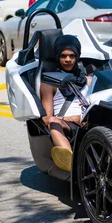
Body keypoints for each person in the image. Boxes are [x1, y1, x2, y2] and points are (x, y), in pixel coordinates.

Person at [40, 35, 92, 172]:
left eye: (72, 56)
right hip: (66, 124)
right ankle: (70, 161)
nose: (67, 59)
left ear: (77, 57)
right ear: (57, 57)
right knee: (53, 122)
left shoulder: (88, 80)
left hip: (89, 121)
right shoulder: (48, 83)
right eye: (63, 56)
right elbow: (46, 118)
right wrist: (71, 119)